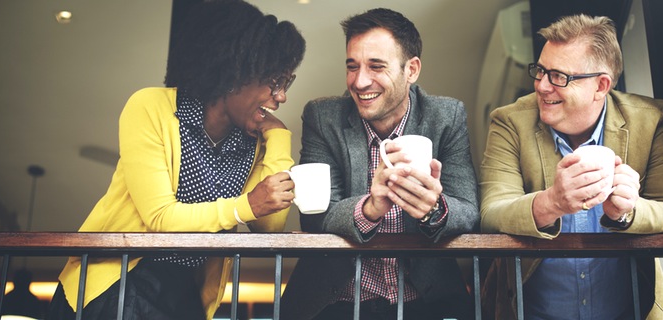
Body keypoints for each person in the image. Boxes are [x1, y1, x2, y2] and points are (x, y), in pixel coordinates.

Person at [47, 1, 306, 319]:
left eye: (286, 83)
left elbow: (269, 225)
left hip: (183, 290)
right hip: (119, 280)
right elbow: (160, 218)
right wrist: (245, 205)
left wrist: (279, 138)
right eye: (275, 82)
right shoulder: (151, 107)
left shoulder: (250, 140)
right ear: (234, 75)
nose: (281, 96)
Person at [280, 8, 479, 319]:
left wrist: (434, 208)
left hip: (425, 301)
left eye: (376, 67)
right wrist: (370, 208)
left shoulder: (446, 116)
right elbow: (315, 217)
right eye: (352, 66)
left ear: (411, 69)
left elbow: (469, 210)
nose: (360, 82)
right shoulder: (323, 116)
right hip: (336, 301)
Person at [480, 14, 663, 320]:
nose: (542, 86)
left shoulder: (652, 120)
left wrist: (627, 211)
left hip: (631, 312)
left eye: (558, 76)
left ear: (600, 85)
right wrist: (551, 202)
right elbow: (491, 213)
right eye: (540, 71)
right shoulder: (509, 121)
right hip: (532, 314)